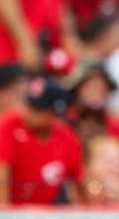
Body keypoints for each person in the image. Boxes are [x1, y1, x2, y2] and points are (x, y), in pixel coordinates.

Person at [0, 76, 83, 205]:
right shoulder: (10, 124)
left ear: (55, 114)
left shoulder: (67, 137)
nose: (28, 111)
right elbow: (2, 175)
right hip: (12, 211)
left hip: (45, 213)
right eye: (29, 104)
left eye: (37, 109)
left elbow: (76, 185)